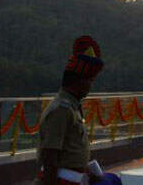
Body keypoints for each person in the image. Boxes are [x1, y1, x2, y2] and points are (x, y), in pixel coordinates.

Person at [38, 37, 103, 185]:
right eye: (89, 81)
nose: (90, 86)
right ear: (78, 82)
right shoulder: (61, 109)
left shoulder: (73, 107)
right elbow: (50, 155)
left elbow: (70, 150)